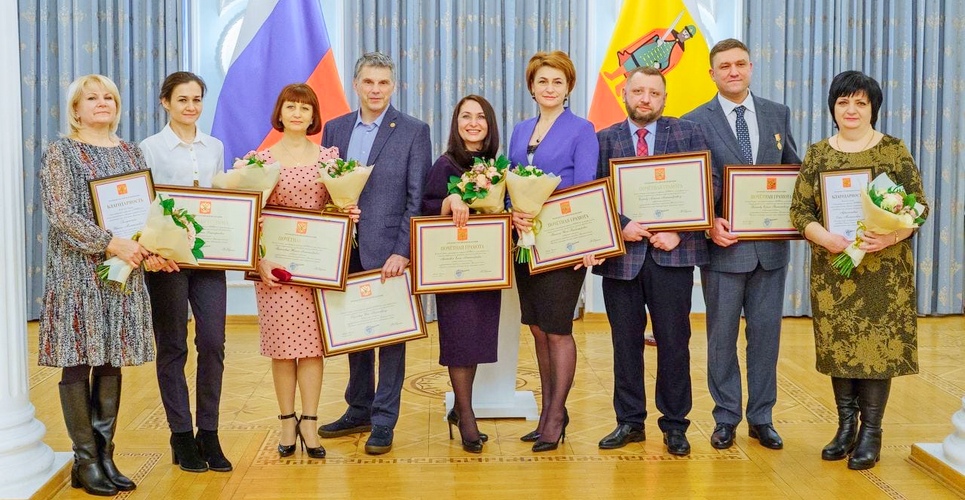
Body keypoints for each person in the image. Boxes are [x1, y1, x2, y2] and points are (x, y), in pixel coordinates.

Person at [790, 71, 927, 470]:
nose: (851, 110)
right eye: (843, 102)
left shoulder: (894, 151)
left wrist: (890, 237)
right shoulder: (818, 154)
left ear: (873, 108)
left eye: (860, 103)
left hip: (884, 273)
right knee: (841, 348)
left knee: (877, 349)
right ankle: (845, 426)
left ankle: (872, 432)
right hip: (835, 272)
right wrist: (826, 238)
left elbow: (918, 207)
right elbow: (799, 212)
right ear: (833, 108)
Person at [39, 74, 162, 495]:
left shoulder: (131, 152)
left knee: (112, 358)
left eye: (108, 96)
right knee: (78, 359)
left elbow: (146, 211)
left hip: (123, 272)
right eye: (91, 97)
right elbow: (61, 213)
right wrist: (110, 242)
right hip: (77, 273)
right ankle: (85, 460)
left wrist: (149, 244)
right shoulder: (61, 152)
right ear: (75, 109)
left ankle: (106, 455)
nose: (102, 102)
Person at [682, 38, 800, 451]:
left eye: (740, 64)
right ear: (711, 74)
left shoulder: (777, 113)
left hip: (771, 250)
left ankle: (762, 417)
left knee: (766, 337)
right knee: (721, 338)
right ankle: (726, 417)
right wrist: (707, 224)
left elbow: (792, 170)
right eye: (724, 66)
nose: (733, 71)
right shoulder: (693, 122)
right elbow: (692, 188)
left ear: (750, 67)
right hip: (723, 249)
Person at [318, 52, 431, 455]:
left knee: (391, 337)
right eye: (369, 82)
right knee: (354, 332)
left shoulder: (414, 131)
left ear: (393, 86)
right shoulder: (335, 129)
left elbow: (417, 198)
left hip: (389, 253)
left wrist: (403, 251)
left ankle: (384, 419)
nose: (376, 90)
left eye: (383, 83)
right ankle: (358, 408)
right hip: (344, 249)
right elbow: (325, 189)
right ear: (356, 85)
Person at [594, 66, 709, 456]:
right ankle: (629, 421)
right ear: (624, 94)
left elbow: (708, 185)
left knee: (674, 343)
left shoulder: (688, 133)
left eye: (654, 93)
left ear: (664, 98)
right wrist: (620, 225)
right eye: (638, 91)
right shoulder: (603, 139)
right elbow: (594, 193)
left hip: (672, 257)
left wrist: (680, 230)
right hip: (622, 260)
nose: (645, 99)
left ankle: (675, 425)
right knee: (625, 344)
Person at [508, 50, 601, 453]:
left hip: (564, 244)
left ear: (568, 88)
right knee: (537, 327)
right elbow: (509, 182)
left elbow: (585, 187)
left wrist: (587, 241)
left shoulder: (582, 129)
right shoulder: (519, 130)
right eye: (542, 81)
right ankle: (546, 412)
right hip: (525, 244)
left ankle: (557, 415)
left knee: (558, 328)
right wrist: (513, 212)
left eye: (557, 82)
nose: (549, 88)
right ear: (531, 86)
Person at [139, 71, 231, 473]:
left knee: (212, 343)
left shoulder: (215, 147)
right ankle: (181, 435)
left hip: (209, 260)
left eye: (196, 99)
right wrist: (151, 252)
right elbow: (144, 206)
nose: (191, 107)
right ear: (165, 102)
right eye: (182, 100)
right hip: (167, 262)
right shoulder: (149, 148)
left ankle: (208, 432)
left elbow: (222, 202)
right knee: (173, 345)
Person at [254, 83, 341, 460]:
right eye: (290, 106)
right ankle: (287, 421)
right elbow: (251, 218)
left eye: (305, 108)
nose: (297, 114)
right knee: (282, 350)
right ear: (280, 112)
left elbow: (338, 207)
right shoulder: (259, 161)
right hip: (277, 272)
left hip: (316, 270)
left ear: (313, 116)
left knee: (312, 350)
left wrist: (346, 213)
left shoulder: (329, 159)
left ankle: (310, 421)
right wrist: (259, 261)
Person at [421, 95, 501, 453]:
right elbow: (425, 207)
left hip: (485, 268)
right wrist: (450, 201)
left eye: (480, 117)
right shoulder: (445, 163)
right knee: (458, 340)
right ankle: (467, 416)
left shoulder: (496, 166)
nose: (473, 123)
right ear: (456, 123)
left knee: (476, 340)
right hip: (453, 270)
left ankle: (459, 408)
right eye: (466, 116)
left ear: (489, 124)